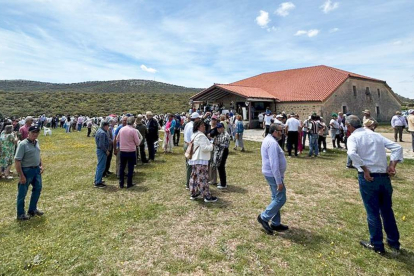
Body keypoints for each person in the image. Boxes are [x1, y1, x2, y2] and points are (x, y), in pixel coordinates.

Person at [346, 115, 403, 254]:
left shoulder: (353, 137)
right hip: (383, 177)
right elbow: (397, 147)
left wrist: (364, 169)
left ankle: (377, 244)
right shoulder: (375, 135)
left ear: (349, 126)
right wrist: (392, 165)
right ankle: (393, 242)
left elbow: (352, 153)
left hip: (369, 177)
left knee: (372, 212)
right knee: (387, 210)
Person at [257, 123, 288, 235]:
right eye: (280, 130)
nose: (282, 133)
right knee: (281, 198)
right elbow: (274, 164)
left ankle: (276, 223)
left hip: (272, 174)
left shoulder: (270, 140)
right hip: (273, 174)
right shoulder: (272, 143)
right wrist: (279, 181)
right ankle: (264, 217)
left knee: (276, 197)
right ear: (275, 131)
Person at [14, 126, 44, 220]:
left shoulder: (37, 142)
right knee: (22, 194)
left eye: (37, 132)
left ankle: (32, 209)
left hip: (36, 171)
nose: (35, 134)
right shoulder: (23, 144)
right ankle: (20, 214)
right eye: (33, 132)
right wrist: (21, 175)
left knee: (37, 189)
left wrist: (41, 165)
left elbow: (38, 154)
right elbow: (17, 160)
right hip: (26, 171)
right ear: (28, 133)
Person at [188, 120, 217, 202]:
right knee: (203, 177)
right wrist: (211, 145)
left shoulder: (194, 134)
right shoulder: (201, 135)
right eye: (202, 126)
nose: (204, 127)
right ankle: (206, 196)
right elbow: (204, 148)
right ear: (198, 127)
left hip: (195, 159)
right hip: (200, 159)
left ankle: (194, 193)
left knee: (194, 176)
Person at [116, 116, 140, 188]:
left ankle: (121, 183)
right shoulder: (133, 130)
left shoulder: (121, 129)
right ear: (133, 122)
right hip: (131, 151)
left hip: (123, 150)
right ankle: (129, 183)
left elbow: (117, 138)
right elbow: (137, 142)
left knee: (122, 167)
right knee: (130, 168)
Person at [183, 112, 200, 189]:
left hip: (186, 144)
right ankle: (189, 184)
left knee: (188, 164)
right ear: (196, 119)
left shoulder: (187, 124)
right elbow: (193, 138)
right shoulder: (193, 126)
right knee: (191, 165)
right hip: (190, 145)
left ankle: (188, 182)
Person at [212, 123, 230, 189]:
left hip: (223, 152)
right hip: (218, 152)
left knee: (221, 167)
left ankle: (223, 184)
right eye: (217, 128)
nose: (218, 129)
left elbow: (226, 145)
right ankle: (222, 182)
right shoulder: (218, 133)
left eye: (219, 128)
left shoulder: (226, 135)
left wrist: (217, 143)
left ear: (223, 128)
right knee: (219, 167)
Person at [94, 121, 110, 188]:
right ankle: (98, 183)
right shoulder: (102, 133)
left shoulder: (99, 131)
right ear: (105, 126)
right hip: (102, 151)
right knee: (101, 167)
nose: (108, 128)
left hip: (100, 150)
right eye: (107, 126)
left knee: (99, 166)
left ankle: (97, 179)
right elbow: (101, 144)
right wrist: (106, 151)